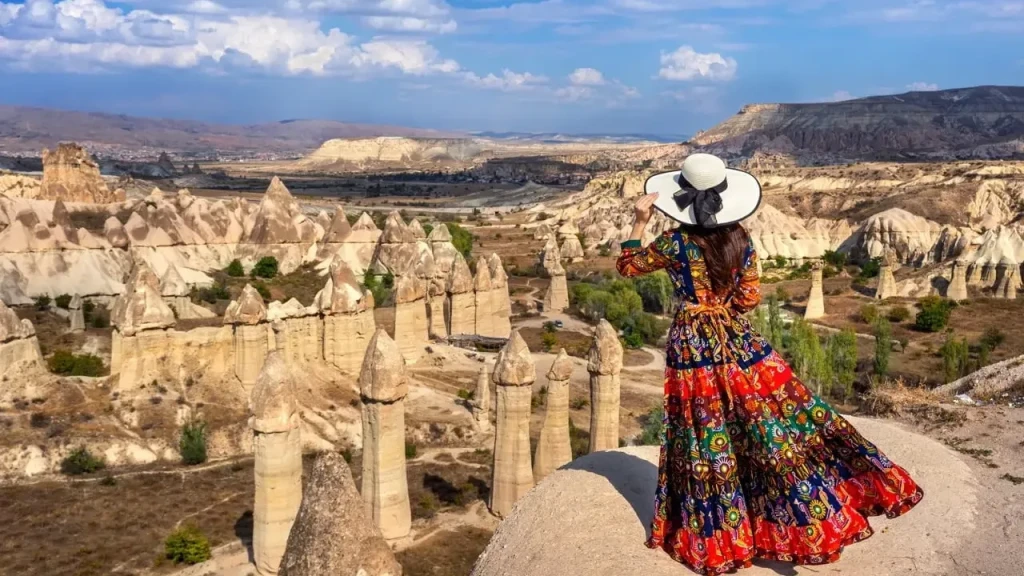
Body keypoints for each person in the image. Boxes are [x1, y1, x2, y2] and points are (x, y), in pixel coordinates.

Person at [616, 153, 923, 576]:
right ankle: (813, 511)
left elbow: (628, 266)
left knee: (705, 430)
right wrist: (722, 307)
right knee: (772, 419)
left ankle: (722, 533)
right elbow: (748, 299)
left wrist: (639, 223)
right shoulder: (741, 239)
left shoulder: (674, 243)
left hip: (692, 345)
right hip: (738, 338)